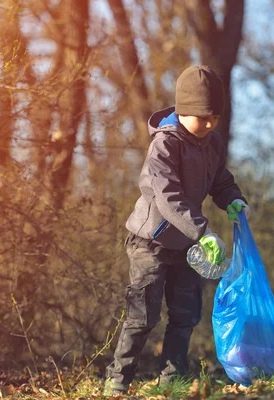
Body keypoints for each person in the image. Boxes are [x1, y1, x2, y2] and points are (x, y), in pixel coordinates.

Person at [104, 65, 250, 396]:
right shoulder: (164, 145)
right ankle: (118, 381)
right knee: (142, 316)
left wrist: (234, 199)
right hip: (150, 244)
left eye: (215, 116)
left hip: (187, 246)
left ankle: (171, 381)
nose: (210, 123)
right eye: (202, 116)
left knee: (185, 315)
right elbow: (169, 199)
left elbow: (220, 180)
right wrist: (204, 232)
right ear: (183, 110)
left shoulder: (211, 144)